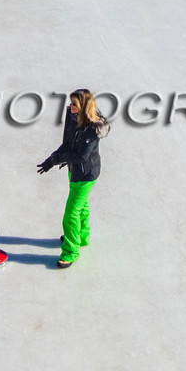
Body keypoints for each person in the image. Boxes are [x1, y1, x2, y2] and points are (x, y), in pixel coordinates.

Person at [37, 89, 107, 269]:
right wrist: (52, 158)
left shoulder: (93, 129)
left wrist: (56, 160)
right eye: (71, 102)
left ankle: (71, 252)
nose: (70, 106)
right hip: (74, 171)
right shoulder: (73, 116)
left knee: (70, 214)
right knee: (81, 206)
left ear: (84, 106)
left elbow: (81, 156)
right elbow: (68, 143)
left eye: (75, 104)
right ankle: (82, 237)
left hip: (85, 175)